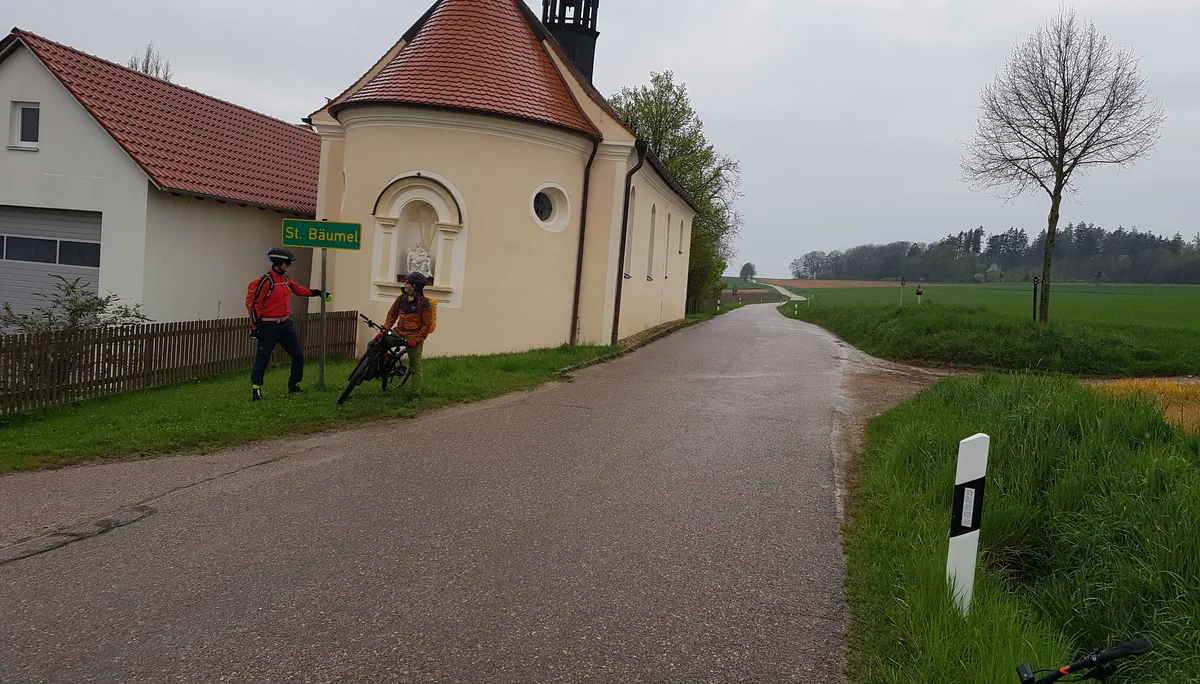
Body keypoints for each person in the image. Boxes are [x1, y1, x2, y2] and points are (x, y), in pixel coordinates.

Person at [245, 247, 328, 401]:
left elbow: (298, 289)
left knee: (298, 355)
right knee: (263, 358)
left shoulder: (285, 279)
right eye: (287, 263)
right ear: (278, 264)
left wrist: (317, 293)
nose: (289, 265)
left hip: (285, 325)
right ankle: (256, 390)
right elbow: (255, 305)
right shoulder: (266, 281)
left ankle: (294, 385)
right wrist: (255, 327)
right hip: (268, 326)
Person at [383, 272, 436, 403]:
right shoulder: (401, 299)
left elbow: (427, 326)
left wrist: (416, 340)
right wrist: (384, 330)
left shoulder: (425, 304)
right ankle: (383, 366)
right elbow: (392, 314)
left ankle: (414, 395)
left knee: (415, 366)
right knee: (375, 343)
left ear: (414, 286)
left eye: (407, 282)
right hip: (399, 332)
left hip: (413, 336)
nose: (404, 284)